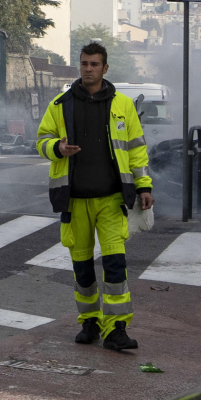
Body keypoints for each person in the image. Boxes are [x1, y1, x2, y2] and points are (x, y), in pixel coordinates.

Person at [36, 42, 152, 353]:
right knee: (82, 267)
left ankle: (116, 328)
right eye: (84, 63)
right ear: (80, 65)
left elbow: (137, 149)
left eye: (94, 64)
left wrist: (144, 186)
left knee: (115, 264)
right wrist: (56, 147)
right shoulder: (60, 104)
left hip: (111, 199)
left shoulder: (122, 105)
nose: (88, 68)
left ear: (105, 68)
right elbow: (41, 140)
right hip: (74, 200)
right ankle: (90, 322)